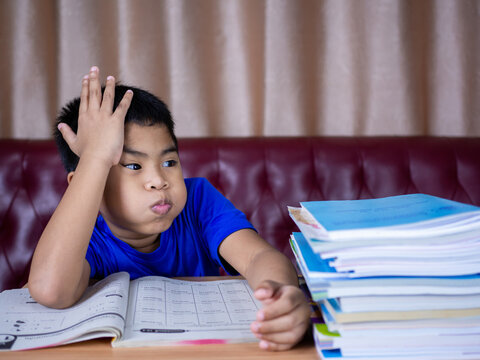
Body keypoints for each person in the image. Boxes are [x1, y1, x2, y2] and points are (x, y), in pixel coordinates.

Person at [28, 66, 310, 351]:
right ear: (88, 184)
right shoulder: (85, 237)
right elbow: (51, 290)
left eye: (169, 163)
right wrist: (96, 157)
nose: (159, 181)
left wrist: (283, 295)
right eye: (134, 166)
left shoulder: (198, 201)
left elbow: (257, 257)